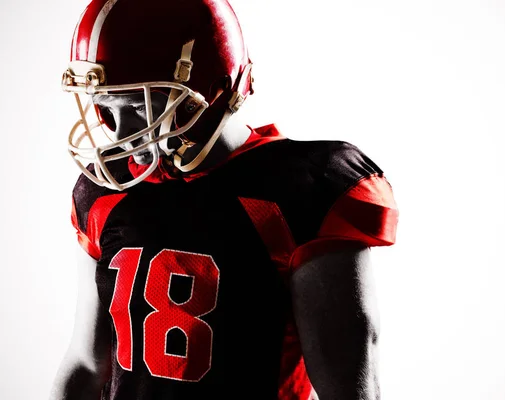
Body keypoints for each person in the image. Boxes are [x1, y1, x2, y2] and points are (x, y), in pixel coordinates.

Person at [50, 0, 399, 398]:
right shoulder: (105, 193)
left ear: (212, 91)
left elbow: (349, 391)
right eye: (107, 109)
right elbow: (87, 362)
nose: (121, 134)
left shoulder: (299, 189)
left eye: (139, 107)